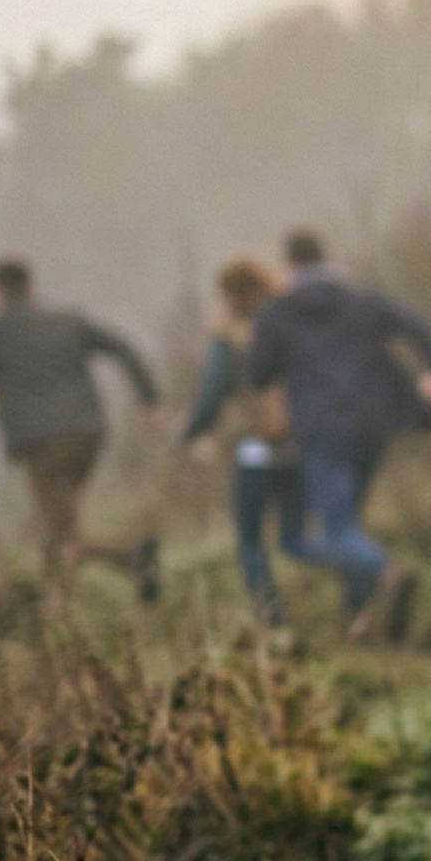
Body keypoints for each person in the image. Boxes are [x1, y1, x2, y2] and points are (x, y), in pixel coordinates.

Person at [245, 229, 431, 641]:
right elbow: (417, 326)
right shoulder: (361, 302)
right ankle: (356, 619)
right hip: (372, 426)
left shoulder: (279, 314)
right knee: (349, 523)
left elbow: (258, 372)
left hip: (322, 430)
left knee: (337, 529)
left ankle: (386, 575)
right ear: (326, 258)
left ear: (288, 266)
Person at [0, 254, 166, 600]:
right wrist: (149, 397)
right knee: (51, 527)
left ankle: (133, 556)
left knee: (61, 534)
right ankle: (53, 614)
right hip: (87, 434)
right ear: (30, 284)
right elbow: (122, 346)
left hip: (42, 443)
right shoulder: (68, 320)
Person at [181, 256, 303, 624]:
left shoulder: (227, 334)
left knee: (250, 540)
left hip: (255, 446)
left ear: (230, 294)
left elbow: (213, 391)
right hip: (299, 443)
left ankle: (273, 622)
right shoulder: (290, 324)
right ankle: (365, 586)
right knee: (297, 538)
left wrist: (193, 431)